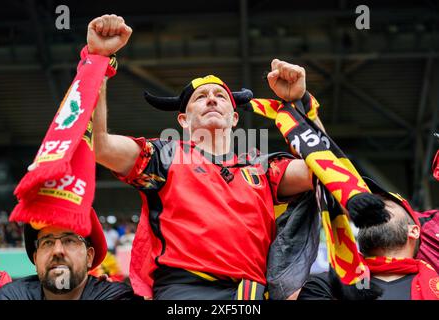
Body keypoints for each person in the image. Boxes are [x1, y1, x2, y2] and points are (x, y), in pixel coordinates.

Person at [88, 14, 317, 299]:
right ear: (183, 120)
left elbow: (318, 171)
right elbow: (102, 148)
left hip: (253, 295)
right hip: (186, 292)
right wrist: (98, 60)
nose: (211, 98)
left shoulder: (261, 165)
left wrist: (300, 106)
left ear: (234, 118)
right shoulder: (163, 154)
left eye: (220, 96)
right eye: (200, 97)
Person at [298, 177, 439, 300]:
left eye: (384, 208)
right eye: (367, 213)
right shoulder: (326, 285)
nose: (372, 214)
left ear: (413, 231)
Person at [0, 209, 137, 300]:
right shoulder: (12, 296)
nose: (57, 251)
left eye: (69, 241)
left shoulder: (116, 296)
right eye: (47, 242)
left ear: (89, 256)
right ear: (36, 258)